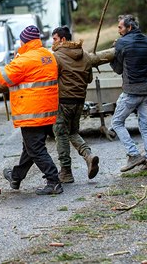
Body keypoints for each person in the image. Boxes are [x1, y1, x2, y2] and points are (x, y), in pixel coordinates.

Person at [0, 25, 63, 195]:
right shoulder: (47, 55)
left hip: (32, 112)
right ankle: (15, 177)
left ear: (24, 41)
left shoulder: (25, 60)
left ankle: (53, 181)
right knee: (30, 148)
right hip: (47, 110)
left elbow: (5, 76)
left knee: (35, 149)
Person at [51, 26, 99, 183]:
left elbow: (51, 78)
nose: (53, 43)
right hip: (79, 101)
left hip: (63, 102)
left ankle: (66, 172)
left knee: (61, 135)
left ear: (63, 40)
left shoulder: (57, 56)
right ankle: (88, 155)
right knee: (72, 132)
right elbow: (89, 79)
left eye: (55, 39)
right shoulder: (85, 55)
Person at [110, 15, 147, 173]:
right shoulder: (146, 40)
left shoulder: (122, 43)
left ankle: (133, 154)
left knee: (116, 122)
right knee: (145, 127)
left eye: (120, 28)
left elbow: (117, 69)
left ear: (129, 28)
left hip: (131, 91)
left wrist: (113, 55)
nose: (119, 30)